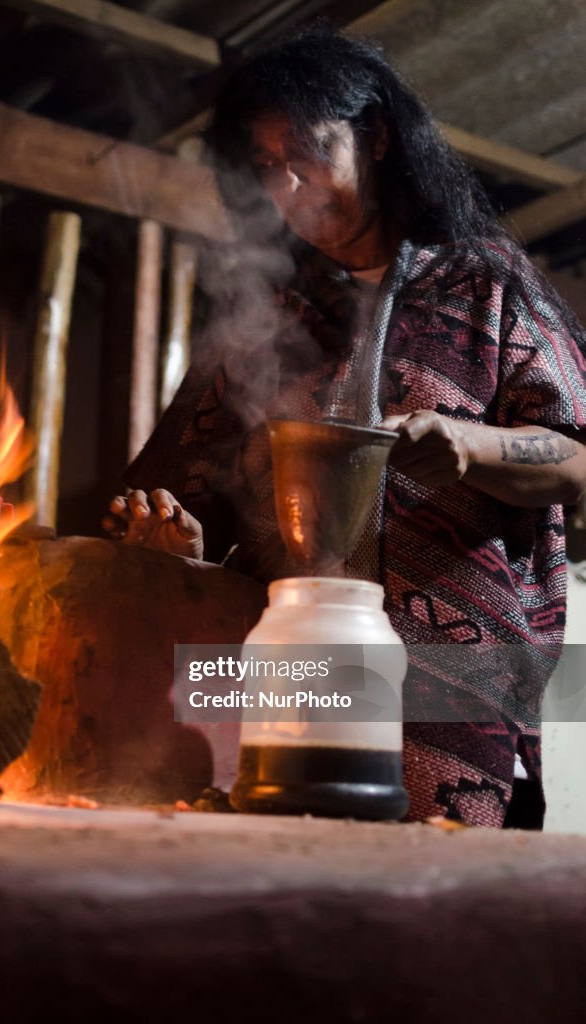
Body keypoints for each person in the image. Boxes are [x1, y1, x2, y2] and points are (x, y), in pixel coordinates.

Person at [103, 28, 586, 828]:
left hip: (452, 676)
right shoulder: (264, 321)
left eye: (309, 149)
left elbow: (576, 459)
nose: (289, 184)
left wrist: (472, 448)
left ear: (379, 136)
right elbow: (179, 501)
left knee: (437, 901)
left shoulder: (483, 282)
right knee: (294, 882)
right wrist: (176, 547)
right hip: (293, 670)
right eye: (264, 166)